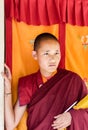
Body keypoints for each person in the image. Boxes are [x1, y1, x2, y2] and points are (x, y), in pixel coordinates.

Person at [2, 33, 88, 130]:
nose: (53, 59)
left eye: (56, 53)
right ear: (35, 55)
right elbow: (10, 125)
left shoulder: (72, 80)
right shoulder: (28, 83)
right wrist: (7, 90)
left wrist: (72, 117)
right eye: (46, 53)